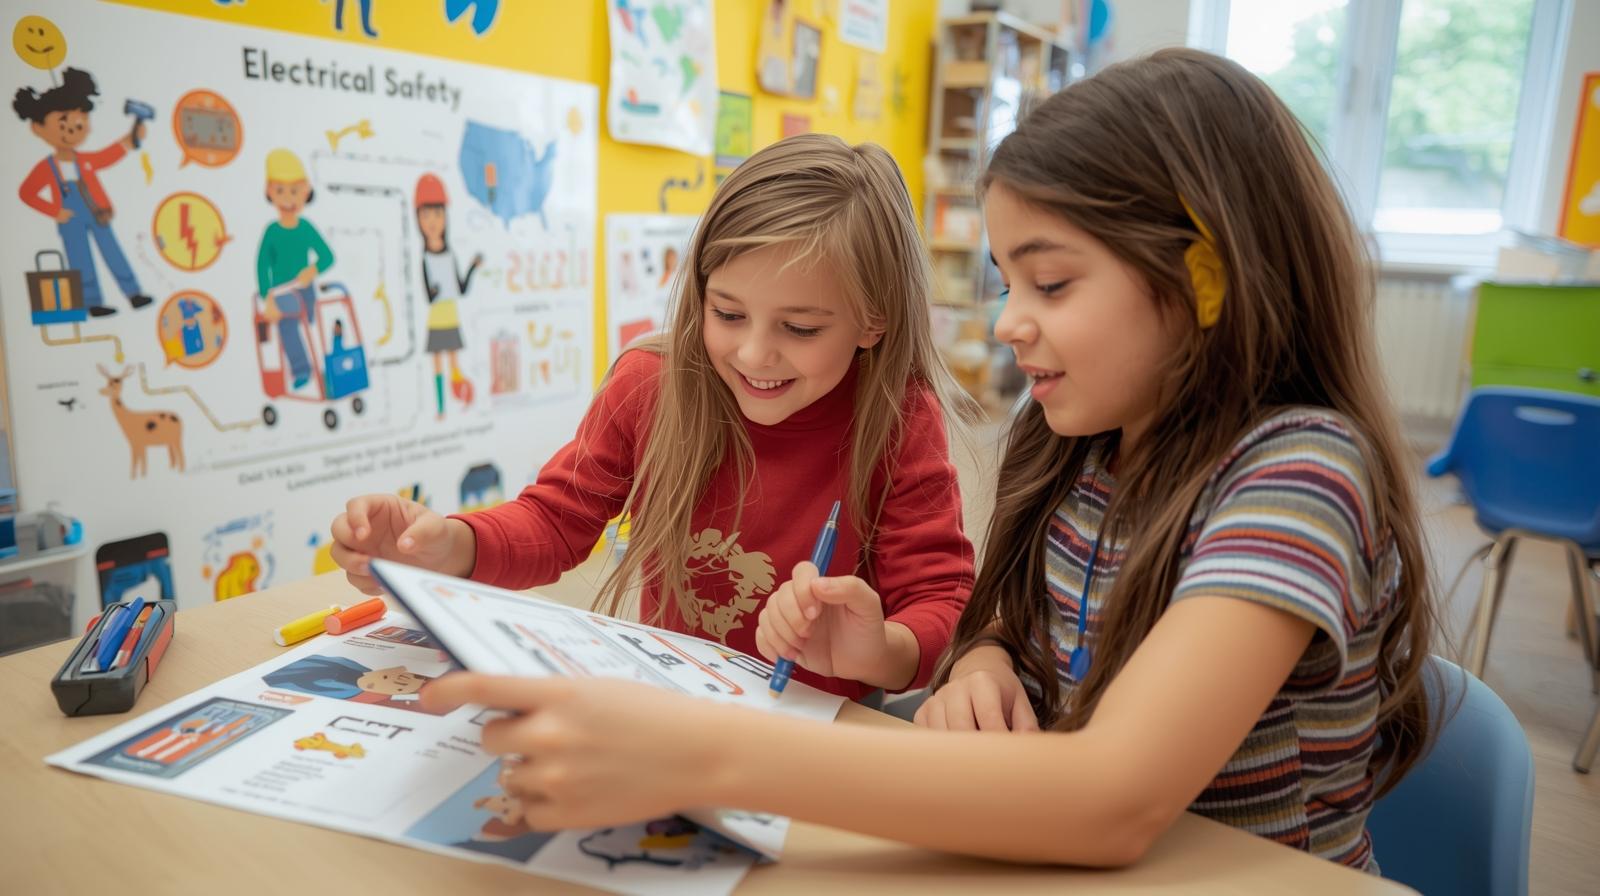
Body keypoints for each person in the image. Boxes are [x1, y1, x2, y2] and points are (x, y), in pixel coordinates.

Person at [417, 50, 1440, 872]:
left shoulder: (1299, 473)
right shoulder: (1082, 446)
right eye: (1005, 281)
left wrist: (696, 751)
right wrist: (988, 654)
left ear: (1206, 277)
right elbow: (1003, 612)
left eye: (1048, 283)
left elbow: (1113, 798)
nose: (1006, 325)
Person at [331, 134, 977, 701]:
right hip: (673, 712)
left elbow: (942, 600)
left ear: (874, 319)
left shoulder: (898, 419)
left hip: (819, 741)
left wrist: (880, 653)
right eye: (726, 314)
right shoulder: (651, 383)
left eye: (800, 327)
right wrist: (449, 544)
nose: (753, 353)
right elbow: (555, 523)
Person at [14, 67, 153, 317]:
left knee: (112, 250)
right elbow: (26, 193)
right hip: (69, 215)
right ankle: (91, 302)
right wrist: (54, 210)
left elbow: (107, 156)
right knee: (79, 258)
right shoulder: (45, 168)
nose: (72, 130)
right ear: (38, 128)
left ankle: (133, 293)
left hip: (96, 210)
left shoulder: (86, 161)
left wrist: (130, 140)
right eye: (62, 123)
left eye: (80, 122)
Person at [256, 148, 334, 391]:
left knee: (314, 325)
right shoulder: (272, 232)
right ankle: (302, 370)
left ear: (305, 192)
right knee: (288, 327)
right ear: (270, 192)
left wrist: (313, 270)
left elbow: (327, 256)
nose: (288, 199)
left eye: (294, 191)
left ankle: (327, 368)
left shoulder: (305, 228)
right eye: (280, 191)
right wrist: (267, 296)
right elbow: (262, 265)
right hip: (281, 294)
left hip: (304, 289)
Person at [415, 173, 483, 418]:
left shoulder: (450, 255)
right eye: (426, 215)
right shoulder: (425, 258)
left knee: (454, 363)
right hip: (437, 317)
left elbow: (461, 288)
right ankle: (441, 408)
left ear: (445, 217)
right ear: (418, 219)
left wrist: (473, 267)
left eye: (437, 214)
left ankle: (461, 400)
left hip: (451, 315)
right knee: (438, 366)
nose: (432, 221)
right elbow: (429, 294)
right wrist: (434, 290)